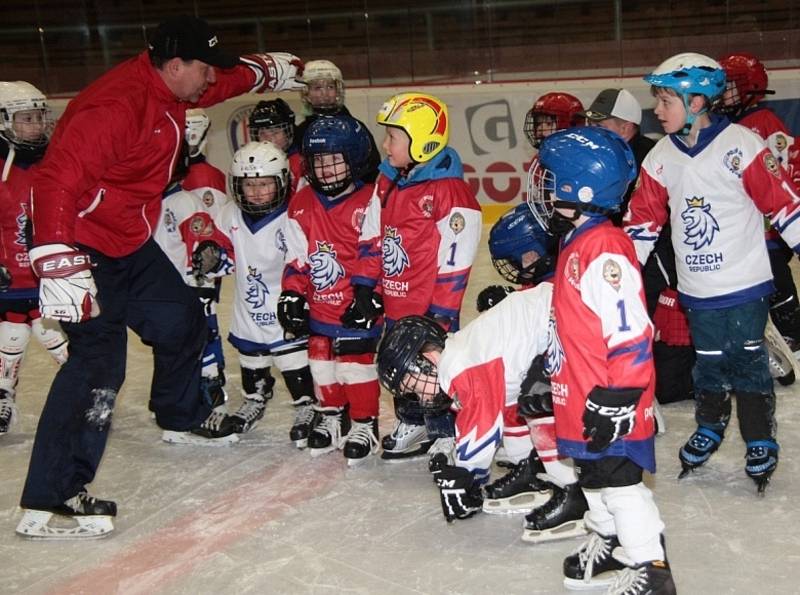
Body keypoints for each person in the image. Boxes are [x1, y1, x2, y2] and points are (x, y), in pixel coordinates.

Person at [16, 15, 305, 540]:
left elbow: (225, 80)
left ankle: (180, 415)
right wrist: (57, 256)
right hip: (84, 246)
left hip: (127, 239)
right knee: (98, 367)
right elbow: (56, 178)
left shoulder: (172, 87)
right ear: (175, 65)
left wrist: (267, 73)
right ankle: (49, 500)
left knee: (181, 318)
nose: (211, 79)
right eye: (204, 69)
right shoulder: (116, 107)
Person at [624, 52, 800, 496]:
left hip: (744, 285)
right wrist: (622, 274)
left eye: (666, 101)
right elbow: (643, 223)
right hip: (696, 290)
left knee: (747, 360)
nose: (657, 110)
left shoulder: (741, 145)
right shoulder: (660, 157)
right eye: (657, 101)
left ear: (697, 101)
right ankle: (710, 425)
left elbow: (783, 204)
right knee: (709, 364)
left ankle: (759, 436)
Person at [529, 126, 675, 593]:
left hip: (611, 400)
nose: (543, 189)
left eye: (551, 180)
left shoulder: (605, 248)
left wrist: (619, 397)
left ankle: (650, 568)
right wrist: (545, 370)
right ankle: (610, 543)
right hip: (579, 395)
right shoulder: (576, 240)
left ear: (579, 188)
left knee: (620, 484)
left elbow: (630, 332)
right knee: (593, 477)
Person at [349, 92, 482, 463]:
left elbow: (456, 261)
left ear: (422, 141)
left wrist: (439, 314)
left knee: (432, 368)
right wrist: (364, 286)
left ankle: (444, 430)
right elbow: (373, 235)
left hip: (431, 307)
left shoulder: (449, 192)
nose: (386, 145)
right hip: (395, 300)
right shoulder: (387, 181)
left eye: (393, 137)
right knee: (397, 361)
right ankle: (412, 420)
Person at [191, 141, 317, 445]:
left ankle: (307, 406)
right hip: (248, 307)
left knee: (292, 361)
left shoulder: (293, 215)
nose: (257, 191)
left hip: (285, 304)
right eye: (249, 184)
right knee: (251, 358)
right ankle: (254, 399)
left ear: (282, 181)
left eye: (264, 183)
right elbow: (226, 253)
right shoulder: (230, 215)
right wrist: (211, 256)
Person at [279, 115, 381, 465]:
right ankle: (333, 414)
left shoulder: (371, 201)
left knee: (356, 367)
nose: (324, 169)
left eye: (333, 159)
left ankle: (365, 423)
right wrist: (292, 292)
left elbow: (376, 251)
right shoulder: (302, 202)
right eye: (318, 161)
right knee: (320, 365)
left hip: (356, 303)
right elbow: (296, 256)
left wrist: (371, 295)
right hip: (320, 305)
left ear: (353, 160)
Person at [717, 52, 800, 362]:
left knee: (777, 278)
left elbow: (784, 171)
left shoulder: (764, 122)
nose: (722, 93)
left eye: (729, 86)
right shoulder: (729, 125)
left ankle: (793, 329)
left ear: (749, 87)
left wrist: (777, 222)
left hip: (769, 229)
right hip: (745, 228)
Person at [0, 81, 68, 435]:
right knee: (11, 332)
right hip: (11, 276)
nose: (36, 126)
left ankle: (81, 390)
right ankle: (3, 395)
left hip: (53, 273)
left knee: (53, 331)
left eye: (39, 117)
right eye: (26, 119)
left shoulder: (53, 163)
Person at [293, 59, 381, 183]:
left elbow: (371, 168)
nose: (325, 93)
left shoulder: (355, 127)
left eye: (330, 86)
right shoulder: (301, 132)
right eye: (317, 88)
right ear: (306, 93)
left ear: (338, 90)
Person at [248, 98, 305, 194]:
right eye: (262, 133)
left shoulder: (300, 163)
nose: (268, 139)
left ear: (288, 134)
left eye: (275, 132)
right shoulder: (251, 164)